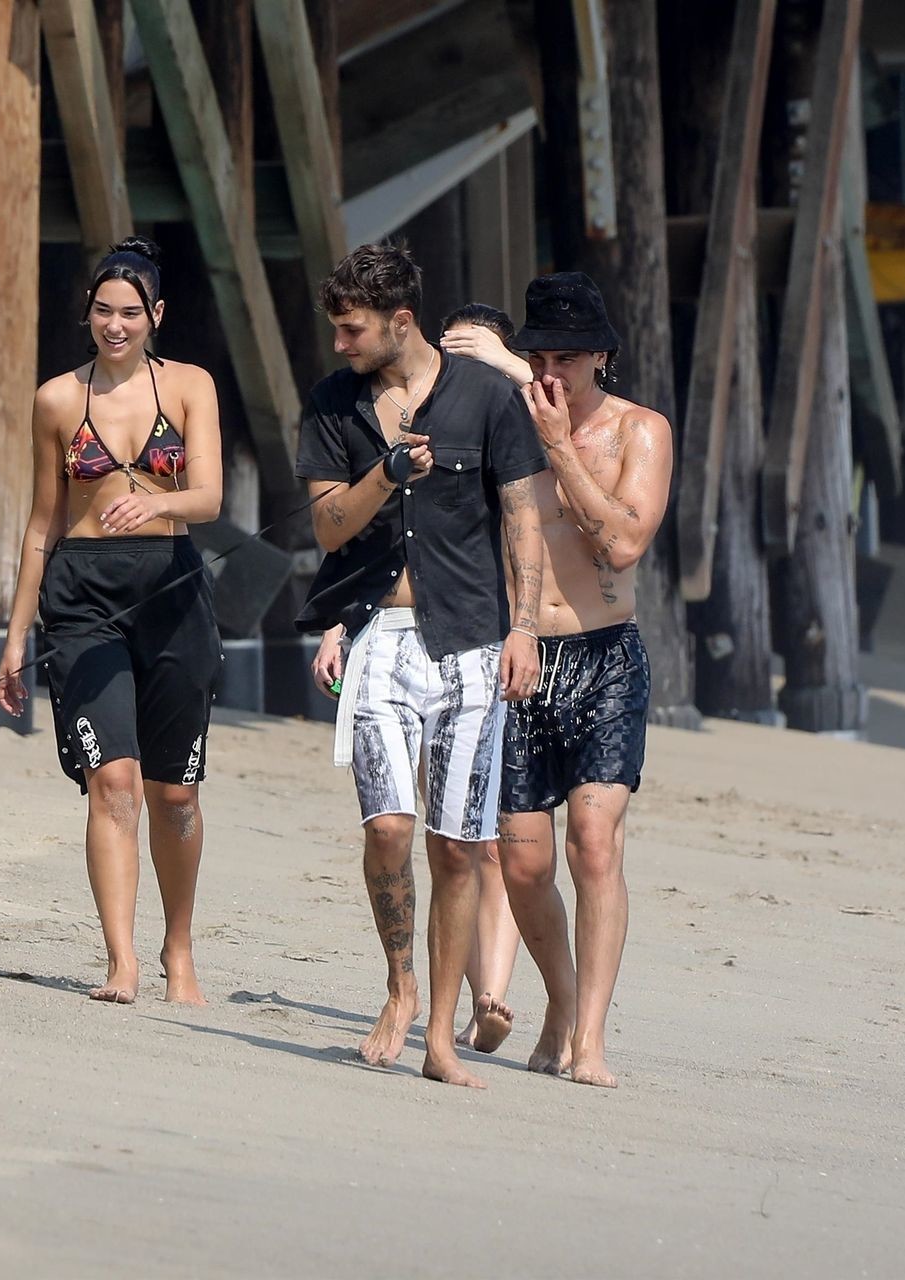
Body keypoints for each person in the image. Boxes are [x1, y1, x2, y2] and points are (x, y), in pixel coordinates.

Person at [295, 244, 546, 1089]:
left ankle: (440, 1035)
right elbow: (328, 527)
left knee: (458, 846)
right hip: (379, 636)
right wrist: (386, 470)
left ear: (400, 322)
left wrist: (525, 629)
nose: (340, 344)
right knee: (389, 829)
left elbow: (522, 516)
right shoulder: (333, 404)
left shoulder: (486, 397)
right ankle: (399, 984)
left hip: (472, 640)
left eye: (353, 330)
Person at [0, 237, 223, 1007]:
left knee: (176, 794)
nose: (116, 325)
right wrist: (16, 636)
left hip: (172, 592)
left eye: (130, 313)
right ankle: (121, 960)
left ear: (156, 314)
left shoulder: (190, 386)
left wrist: (157, 505)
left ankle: (178, 950)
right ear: (87, 314)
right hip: (83, 598)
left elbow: (209, 499)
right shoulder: (58, 400)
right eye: (103, 311)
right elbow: (42, 523)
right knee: (114, 781)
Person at [496, 271, 672, 1088]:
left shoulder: (641, 430)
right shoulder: (508, 424)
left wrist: (561, 445)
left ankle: (591, 1038)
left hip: (605, 657)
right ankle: (560, 1002)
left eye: (566, 358)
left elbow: (624, 544)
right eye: (538, 358)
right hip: (525, 656)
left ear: (601, 354)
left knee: (593, 844)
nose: (551, 375)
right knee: (523, 864)